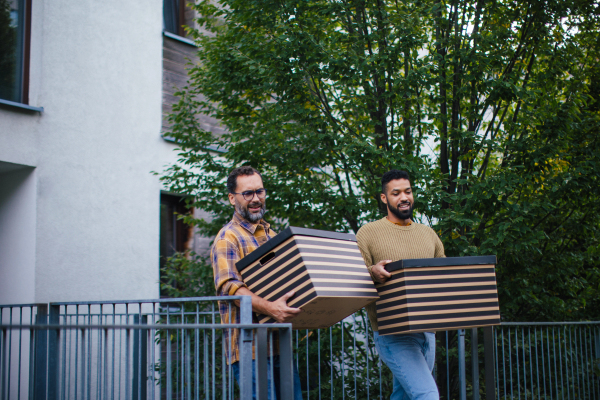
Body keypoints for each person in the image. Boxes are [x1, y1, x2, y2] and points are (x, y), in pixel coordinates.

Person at [211, 165, 303, 400]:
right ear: (232, 198)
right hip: (248, 348)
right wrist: (272, 308)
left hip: (280, 343)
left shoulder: (272, 236)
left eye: (259, 192)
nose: (255, 199)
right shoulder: (227, 238)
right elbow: (230, 289)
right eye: (247, 193)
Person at [356, 169, 445, 400]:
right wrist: (372, 273)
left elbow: (445, 279)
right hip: (391, 332)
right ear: (384, 198)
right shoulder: (368, 233)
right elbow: (354, 280)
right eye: (396, 193)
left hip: (428, 330)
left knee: (404, 395)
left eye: (407, 191)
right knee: (427, 394)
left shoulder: (429, 235)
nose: (404, 197)